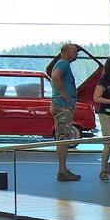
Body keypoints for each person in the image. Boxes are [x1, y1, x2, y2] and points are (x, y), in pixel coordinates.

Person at [46, 43, 82, 182]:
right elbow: (55, 76)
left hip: (61, 105)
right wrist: (63, 93)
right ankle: (62, 171)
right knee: (63, 139)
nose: (76, 55)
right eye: (74, 52)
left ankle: (63, 169)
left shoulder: (62, 64)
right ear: (66, 53)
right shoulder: (63, 64)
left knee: (63, 138)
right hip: (62, 106)